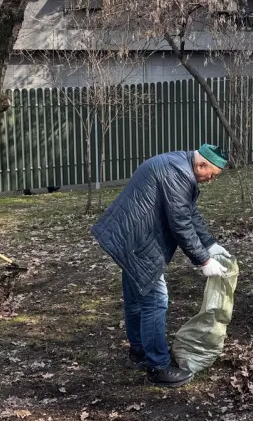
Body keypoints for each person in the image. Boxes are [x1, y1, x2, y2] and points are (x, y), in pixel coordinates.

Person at [92, 144, 231, 388]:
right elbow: (180, 223)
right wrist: (204, 260)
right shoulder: (178, 174)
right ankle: (158, 366)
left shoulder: (178, 165)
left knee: (136, 299)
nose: (210, 181)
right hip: (138, 242)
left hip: (127, 235)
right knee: (156, 301)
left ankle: (138, 353)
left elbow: (188, 211)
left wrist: (210, 244)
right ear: (201, 165)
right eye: (211, 175)